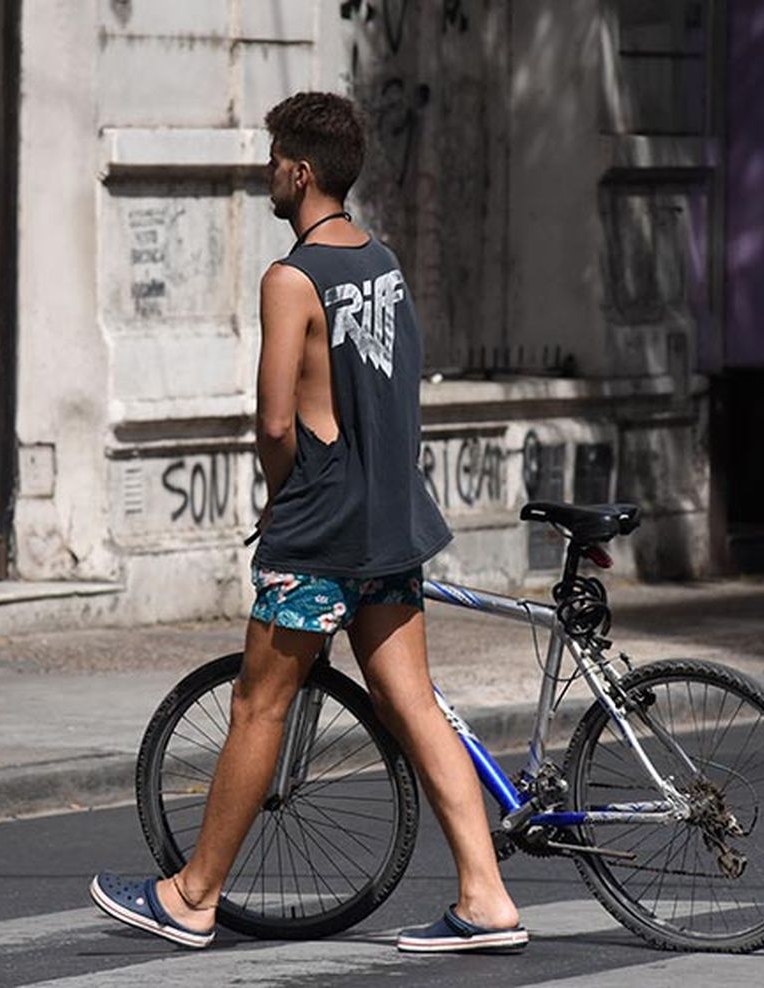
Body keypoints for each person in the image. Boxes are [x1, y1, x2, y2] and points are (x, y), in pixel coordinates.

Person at [91, 91, 525, 954]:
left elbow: (276, 422)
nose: (265, 171)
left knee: (259, 705)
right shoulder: (386, 262)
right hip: (391, 523)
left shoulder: (291, 279)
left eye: (272, 158)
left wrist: (281, 504)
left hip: (321, 530)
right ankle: (486, 897)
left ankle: (193, 896)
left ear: (300, 171)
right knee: (413, 704)